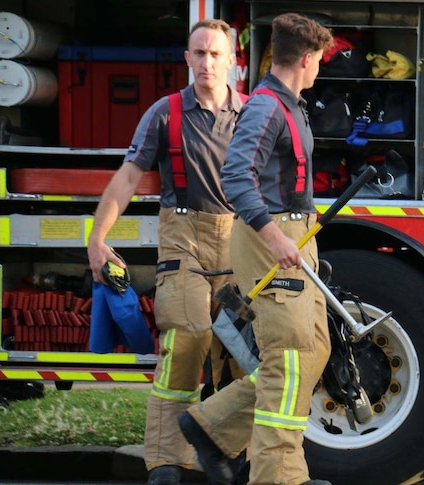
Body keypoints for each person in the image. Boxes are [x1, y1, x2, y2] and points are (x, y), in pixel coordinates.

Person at [175, 13, 335, 485]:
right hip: (275, 242)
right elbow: (236, 176)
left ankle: (211, 426)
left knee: (312, 350)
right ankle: (279, 477)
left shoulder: (289, 103)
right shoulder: (267, 106)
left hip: (293, 238)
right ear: (305, 59)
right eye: (320, 62)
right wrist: (274, 235)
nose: (319, 70)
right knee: (288, 359)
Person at [87, 19, 247, 485]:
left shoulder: (253, 114)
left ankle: (232, 452)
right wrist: (97, 240)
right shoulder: (165, 113)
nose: (206, 62)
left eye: (216, 54)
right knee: (187, 338)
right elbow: (128, 177)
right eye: (198, 53)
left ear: (232, 61)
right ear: (187, 59)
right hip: (185, 240)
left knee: (243, 353)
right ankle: (165, 463)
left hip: (240, 242)